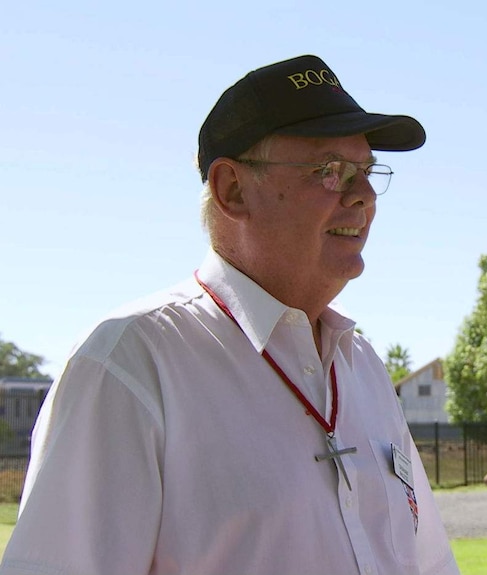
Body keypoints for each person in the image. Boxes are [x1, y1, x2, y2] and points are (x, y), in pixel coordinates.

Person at [1, 55, 460, 575]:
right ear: (233, 190)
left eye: (368, 171)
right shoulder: (130, 367)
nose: (364, 196)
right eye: (330, 170)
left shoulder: (364, 366)